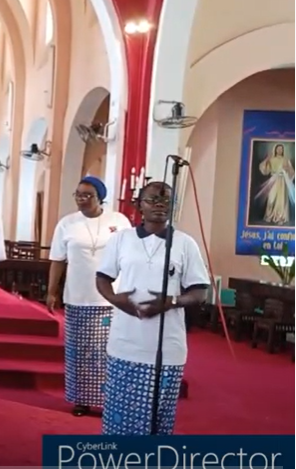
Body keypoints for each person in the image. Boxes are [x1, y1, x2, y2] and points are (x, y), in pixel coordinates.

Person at [95, 181, 209, 435]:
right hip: (126, 340)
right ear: (139, 206)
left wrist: (172, 302)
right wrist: (116, 300)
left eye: (166, 200)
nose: (159, 205)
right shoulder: (121, 239)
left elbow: (200, 291)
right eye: (153, 200)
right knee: (119, 418)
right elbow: (102, 278)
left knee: (157, 421)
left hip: (166, 344)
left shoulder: (184, 243)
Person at [47, 176, 132, 417]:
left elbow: (130, 256)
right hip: (78, 294)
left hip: (111, 298)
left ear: (100, 197)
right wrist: (51, 291)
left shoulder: (119, 221)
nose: (82, 199)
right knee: (79, 351)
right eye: (78, 195)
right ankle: (81, 400)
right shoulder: (67, 223)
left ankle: (110, 400)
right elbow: (57, 259)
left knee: (108, 351)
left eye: (88, 195)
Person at [256, 143, 295, 225]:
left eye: (281, 149)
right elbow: (265, 169)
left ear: (283, 150)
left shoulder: (285, 159)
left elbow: (292, 171)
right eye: (278, 148)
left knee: (281, 200)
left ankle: (280, 217)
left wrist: (287, 169)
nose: (279, 150)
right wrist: (267, 159)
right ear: (275, 149)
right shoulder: (271, 159)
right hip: (273, 180)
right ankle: (269, 216)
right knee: (271, 199)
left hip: (282, 181)